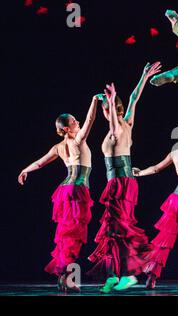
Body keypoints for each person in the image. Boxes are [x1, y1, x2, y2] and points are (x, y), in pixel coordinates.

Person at [87, 62, 162, 293]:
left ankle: (129, 273)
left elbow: (114, 127)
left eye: (106, 110)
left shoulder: (119, 126)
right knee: (113, 231)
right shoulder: (127, 120)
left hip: (120, 182)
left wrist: (109, 101)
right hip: (120, 182)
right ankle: (113, 275)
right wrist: (143, 75)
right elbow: (134, 98)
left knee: (120, 228)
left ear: (109, 110)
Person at [18, 95, 100, 292]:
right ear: (66, 129)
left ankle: (65, 276)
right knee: (74, 235)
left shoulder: (58, 147)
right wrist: (94, 101)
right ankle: (67, 277)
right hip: (78, 189)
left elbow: (40, 162)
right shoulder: (78, 139)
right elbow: (90, 120)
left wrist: (25, 170)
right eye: (73, 121)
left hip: (64, 189)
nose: (77, 121)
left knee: (66, 234)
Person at [132, 126, 178, 289]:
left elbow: (156, 168)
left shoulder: (174, 153)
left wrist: (139, 173)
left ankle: (152, 277)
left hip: (175, 199)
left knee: (164, 241)